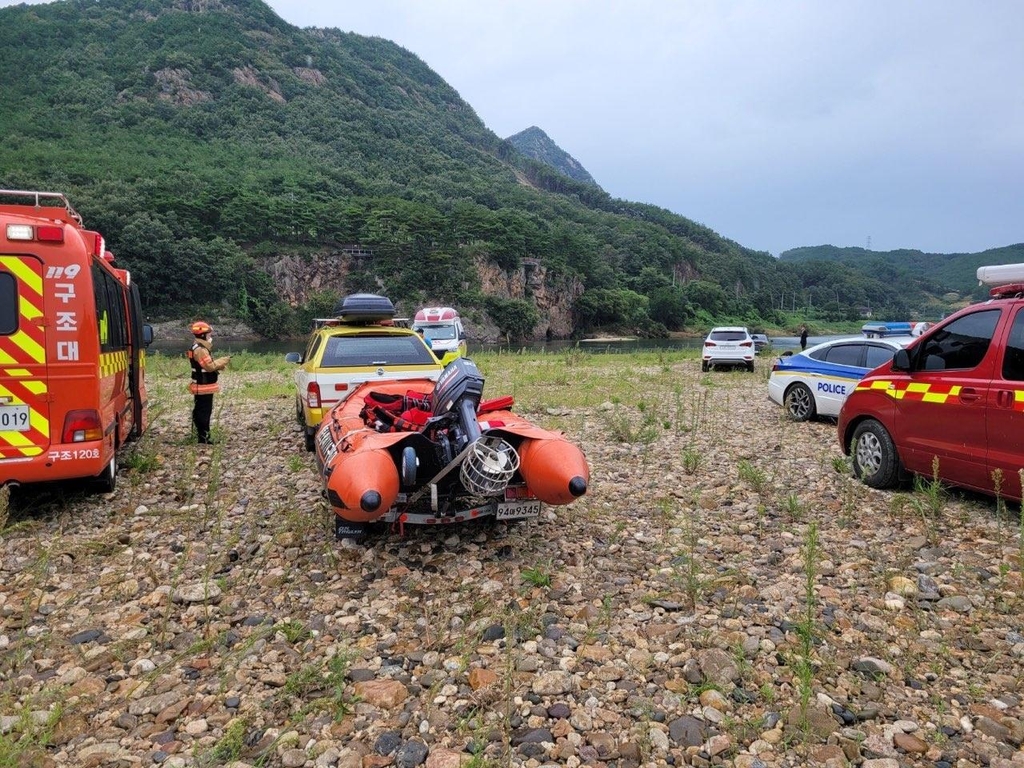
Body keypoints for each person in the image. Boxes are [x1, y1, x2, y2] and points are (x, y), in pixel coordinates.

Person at [187, 321, 230, 444]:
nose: (210, 336)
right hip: (203, 386)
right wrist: (222, 361)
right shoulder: (200, 349)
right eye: (209, 334)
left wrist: (217, 366)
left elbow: (205, 366)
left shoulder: (198, 347)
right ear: (203, 335)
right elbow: (209, 367)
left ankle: (203, 436)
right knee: (204, 412)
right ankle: (204, 438)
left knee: (201, 410)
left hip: (201, 385)